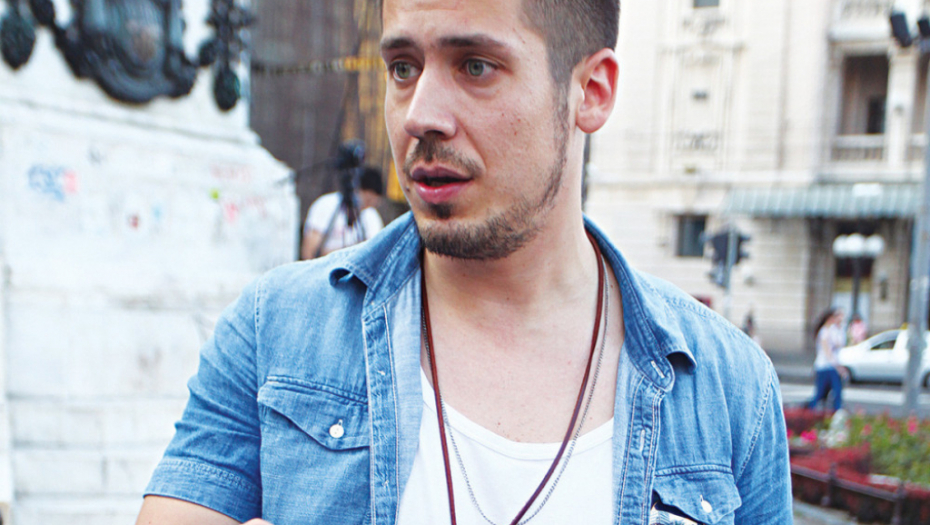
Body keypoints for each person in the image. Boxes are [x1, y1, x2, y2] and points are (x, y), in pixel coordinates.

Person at [137, 0, 792, 523]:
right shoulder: (276, 330)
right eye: (402, 68)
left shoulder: (730, 388)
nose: (419, 115)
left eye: (475, 66)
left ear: (590, 91)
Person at [300, 165, 385, 259]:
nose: (367, 205)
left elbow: (374, 254)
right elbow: (309, 251)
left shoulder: (371, 216)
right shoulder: (327, 205)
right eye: (368, 199)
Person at [807, 307, 848, 412]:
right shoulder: (824, 332)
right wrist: (838, 367)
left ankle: (836, 410)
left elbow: (840, 344)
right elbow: (827, 352)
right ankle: (810, 410)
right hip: (824, 366)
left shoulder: (835, 331)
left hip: (831, 366)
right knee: (821, 393)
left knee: (836, 391)